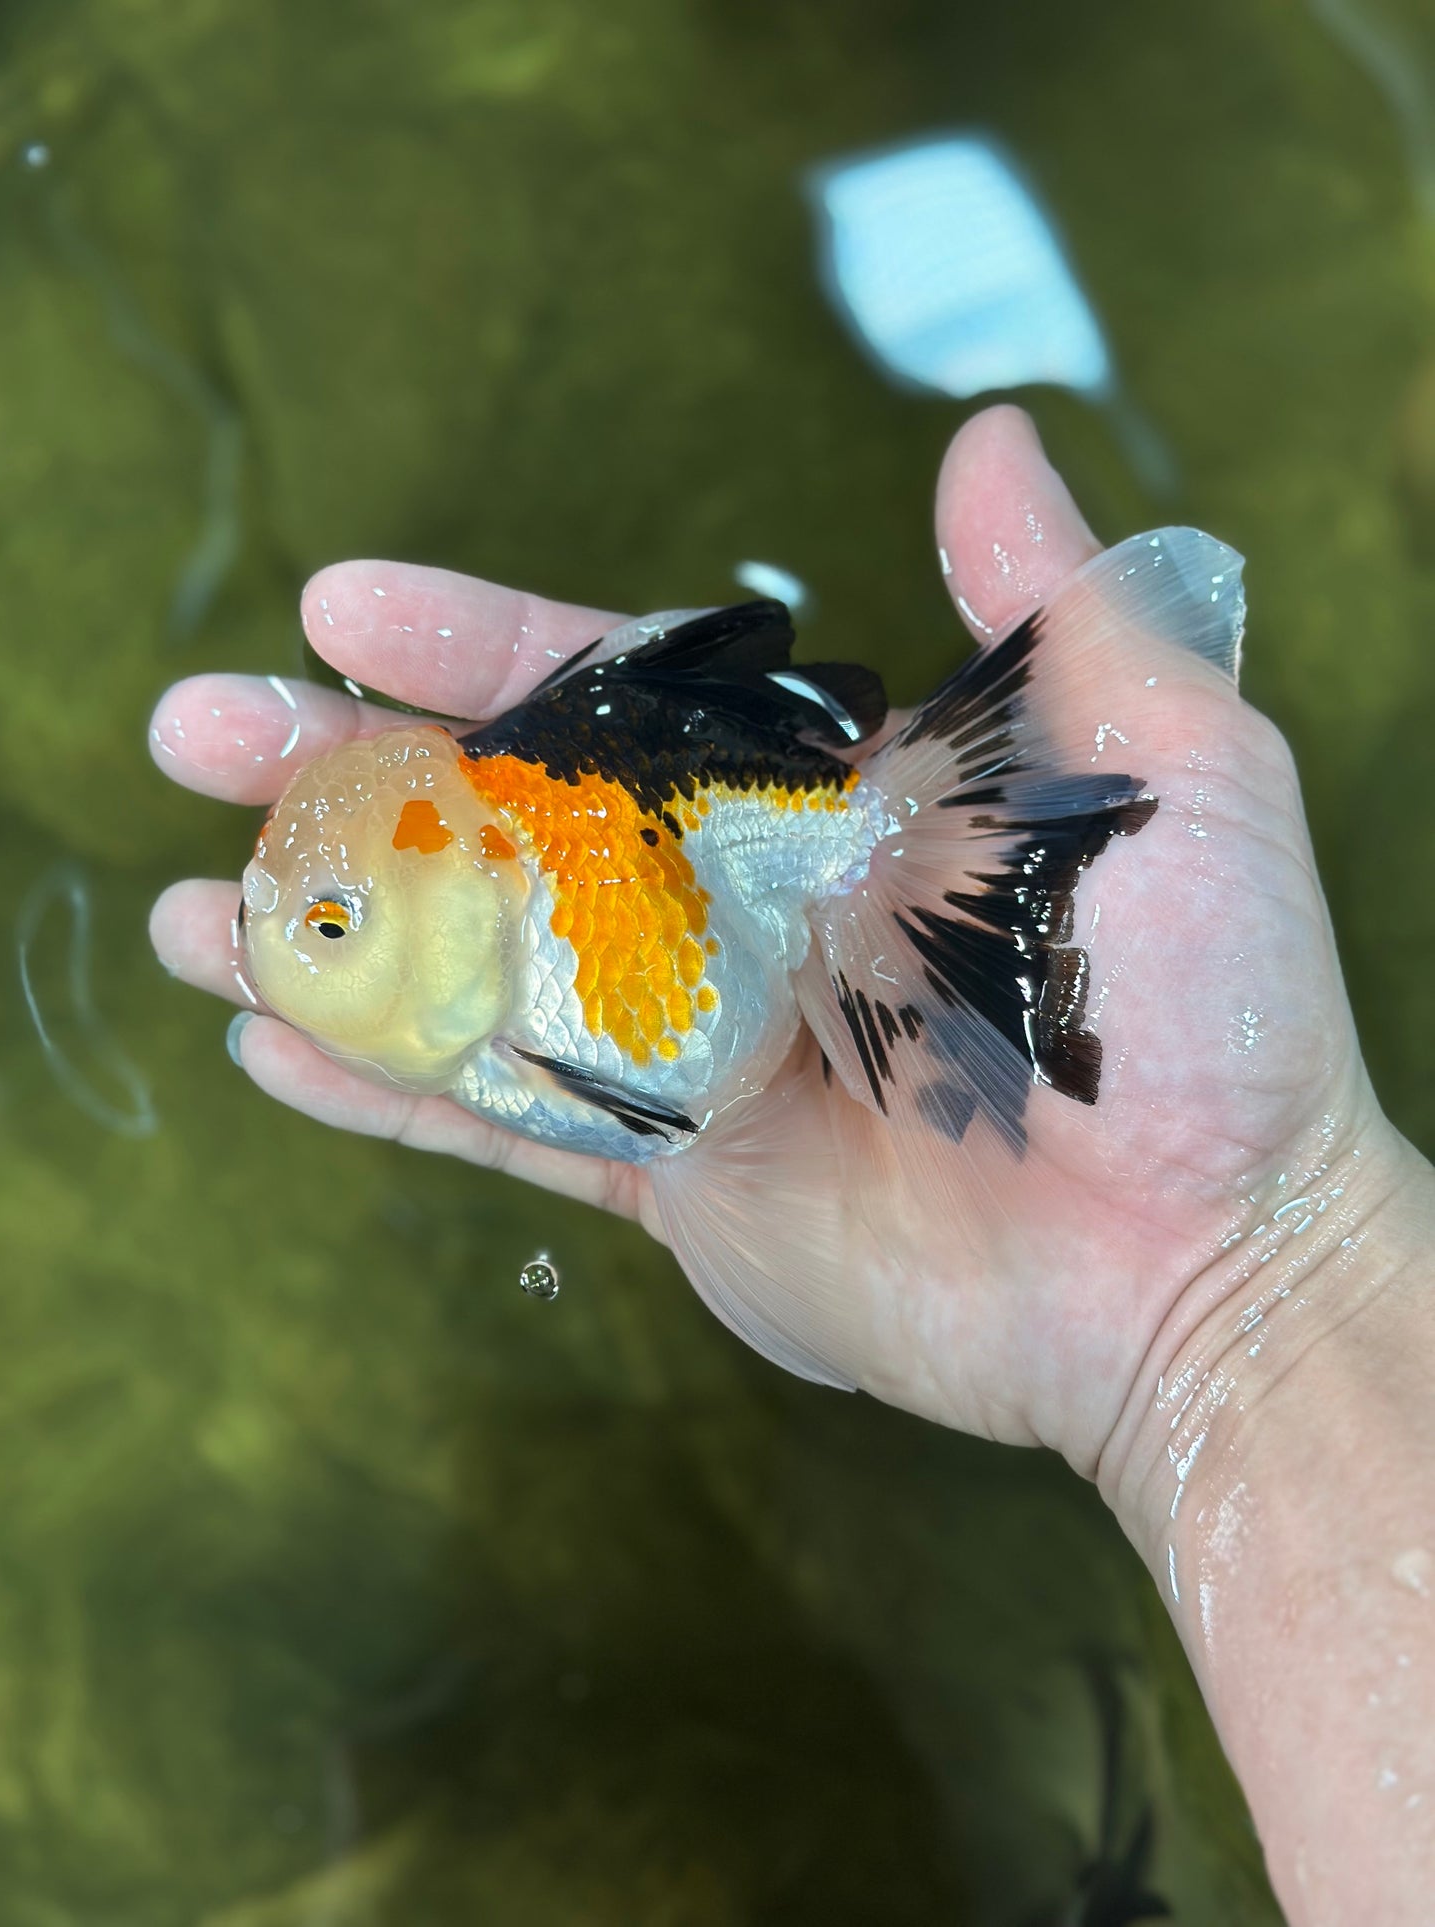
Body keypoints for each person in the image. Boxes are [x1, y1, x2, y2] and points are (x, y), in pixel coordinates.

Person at [148, 404, 1435, 1923]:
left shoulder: (526, 1004)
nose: (281, 952)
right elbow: (693, 1146)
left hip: (771, 870)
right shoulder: (482, 986)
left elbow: (682, 1131)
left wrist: (1246, 1268)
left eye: (328, 930)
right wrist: (1248, 1302)